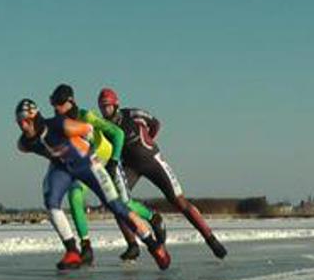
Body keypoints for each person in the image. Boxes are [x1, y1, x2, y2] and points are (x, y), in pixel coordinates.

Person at [15, 98, 171, 271]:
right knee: (51, 201)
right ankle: (72, 251)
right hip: (63, 168)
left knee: (117, 206)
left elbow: (88, 128)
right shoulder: (24, 143)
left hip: (87, 163)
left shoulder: (60, 124)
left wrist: (90, 144)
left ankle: (153, 245)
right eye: (20, 122)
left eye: (26, 121)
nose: (23, 126)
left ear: (36, 117)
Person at [97, 88, 227, 259]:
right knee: (117, 204)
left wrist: (149, 142)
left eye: (107, 107)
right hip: (130, 167)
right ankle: (132, 245)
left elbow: (156, 124)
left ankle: (211, 239)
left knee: (179, 201)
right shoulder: (103, 126)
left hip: (152, 161)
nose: (105, 111)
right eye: (102, 107)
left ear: (116, 105)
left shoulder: (132, 113)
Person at [49, 84, 166, 263]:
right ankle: (86, 246)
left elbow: (118, 134)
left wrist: (114, 161)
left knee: (122, 203)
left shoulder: (86, 116)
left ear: (70, 102)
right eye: (53, 104)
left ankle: (152, 217)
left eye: (59, 103)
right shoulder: (59, 124)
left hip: (106, 158)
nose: (55, 108)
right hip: (88, 163)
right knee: (74, 196)